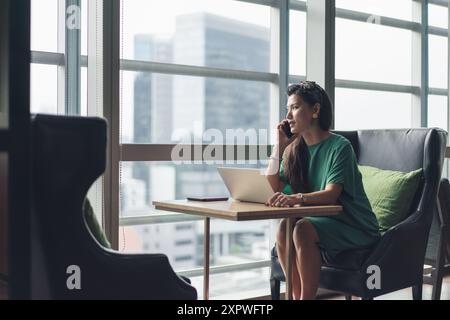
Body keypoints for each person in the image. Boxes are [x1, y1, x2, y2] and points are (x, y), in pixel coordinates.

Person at [265, 81, 380, 300]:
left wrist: (295, 198)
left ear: (315, 110)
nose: (288, 115)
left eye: (295, 107)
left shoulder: (340, 147)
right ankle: (296, 295)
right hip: (322, 223)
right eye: (287, 109)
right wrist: (278, 148)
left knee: (302, 229)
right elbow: (274, 186)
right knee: (283, 228)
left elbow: (331, 194)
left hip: (355, 226)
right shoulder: (293, 151)